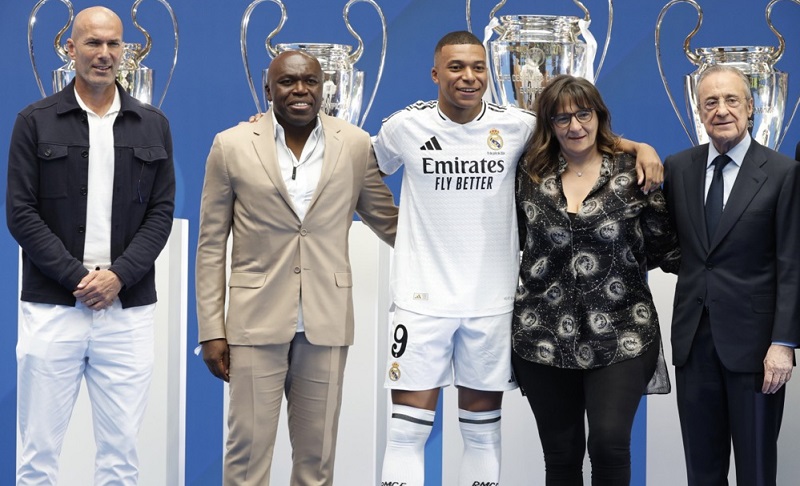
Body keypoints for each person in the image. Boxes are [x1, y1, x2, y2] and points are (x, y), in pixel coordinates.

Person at [375, 31, 664, 486]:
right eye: (455, 67)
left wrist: (639, 148)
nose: (468, 77)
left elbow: (580, 131)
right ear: (435, 73)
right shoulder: (404, 127)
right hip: (422, 300)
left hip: (492, 304)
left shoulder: (517, 125)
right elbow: (361, 166)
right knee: (405, 435)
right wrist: (396, 230)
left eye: (477, 67)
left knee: (482, 436)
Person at [196, 50, 398, 486]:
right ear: (268, 89)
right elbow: (211, 244)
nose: (300, 90)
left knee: (317, 460)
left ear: (324, 87)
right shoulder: (230, 145)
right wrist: (211, 329)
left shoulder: (356, 143)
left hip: (326, 320)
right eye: (287, 82)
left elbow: (391, 222)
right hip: (253, 321)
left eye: (310, 80)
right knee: (246, 457)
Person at [6, 6, 175, 485]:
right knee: (37, 453)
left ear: (126, 51)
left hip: (127, 312)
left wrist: (118, 276)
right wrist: (79, 278)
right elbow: (21, 213)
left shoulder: (153, 124)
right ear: (70, 49)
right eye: (93, 43)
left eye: (113, 44)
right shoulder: (34, 122)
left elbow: (161, 213)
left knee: (121, 455)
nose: (104, 54)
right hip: (53, 307)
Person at [511, 75, 679, 485]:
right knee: (562, 455)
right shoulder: (528, 174)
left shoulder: (634, 172)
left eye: (583, 114)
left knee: (608, 443)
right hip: (541, 336)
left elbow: (667, 248)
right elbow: (508, 240)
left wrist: (641, 146)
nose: (575, 126)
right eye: (561, 117)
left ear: (598, 115)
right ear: (548, 124)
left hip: (623, 332)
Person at [663, 64, 800, 485]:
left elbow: (791, 263)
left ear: (751, 107)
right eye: (710, 102)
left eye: (731, 100)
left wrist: (783, 343)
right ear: (699, 112)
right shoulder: (677, 168)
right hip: (693, 345)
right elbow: (676, 249)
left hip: (757, 351)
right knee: (702, 472)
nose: (721, 110)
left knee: (756, 471)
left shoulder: (782, 173)